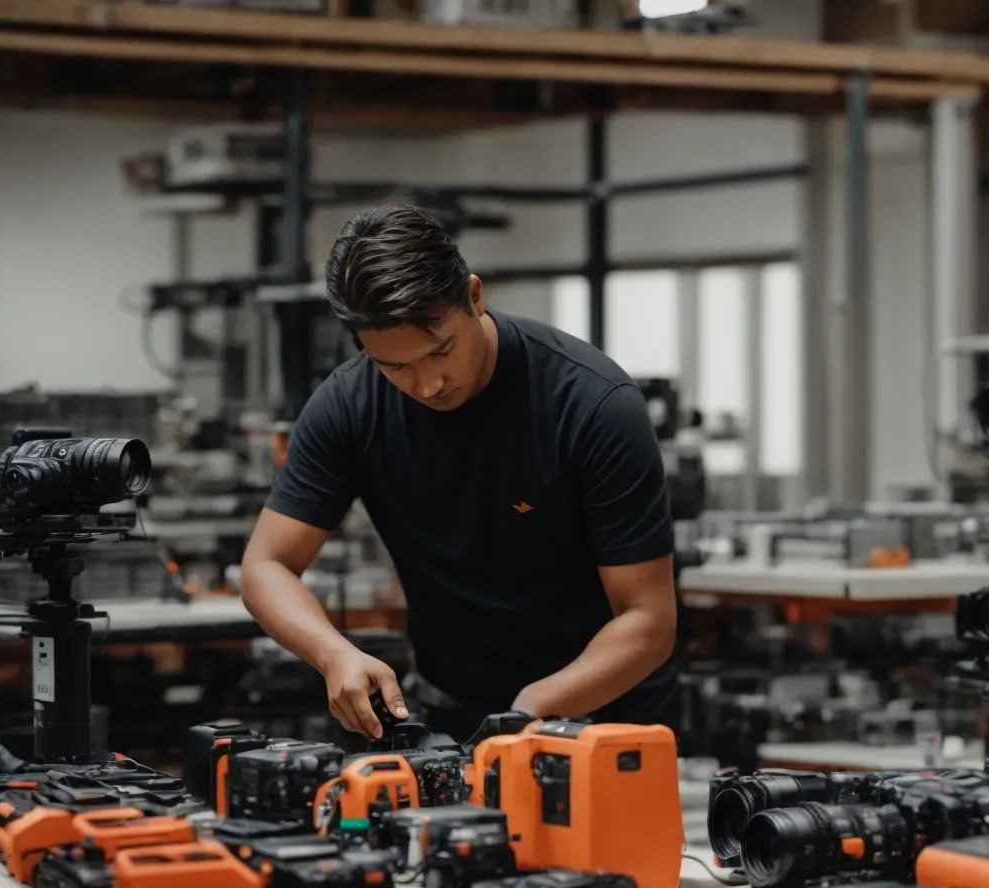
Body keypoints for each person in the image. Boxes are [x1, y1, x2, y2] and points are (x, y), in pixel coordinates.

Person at [241, 203, 678, 741]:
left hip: (600, 717)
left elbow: (648, 621)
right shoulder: (349, 407)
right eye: (395, 366)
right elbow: (266, 566)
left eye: (440, 351)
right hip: (444, 714)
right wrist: (334, 655)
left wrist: (533, 708)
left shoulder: (591, 404)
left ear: (474, 296)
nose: (427, 386)